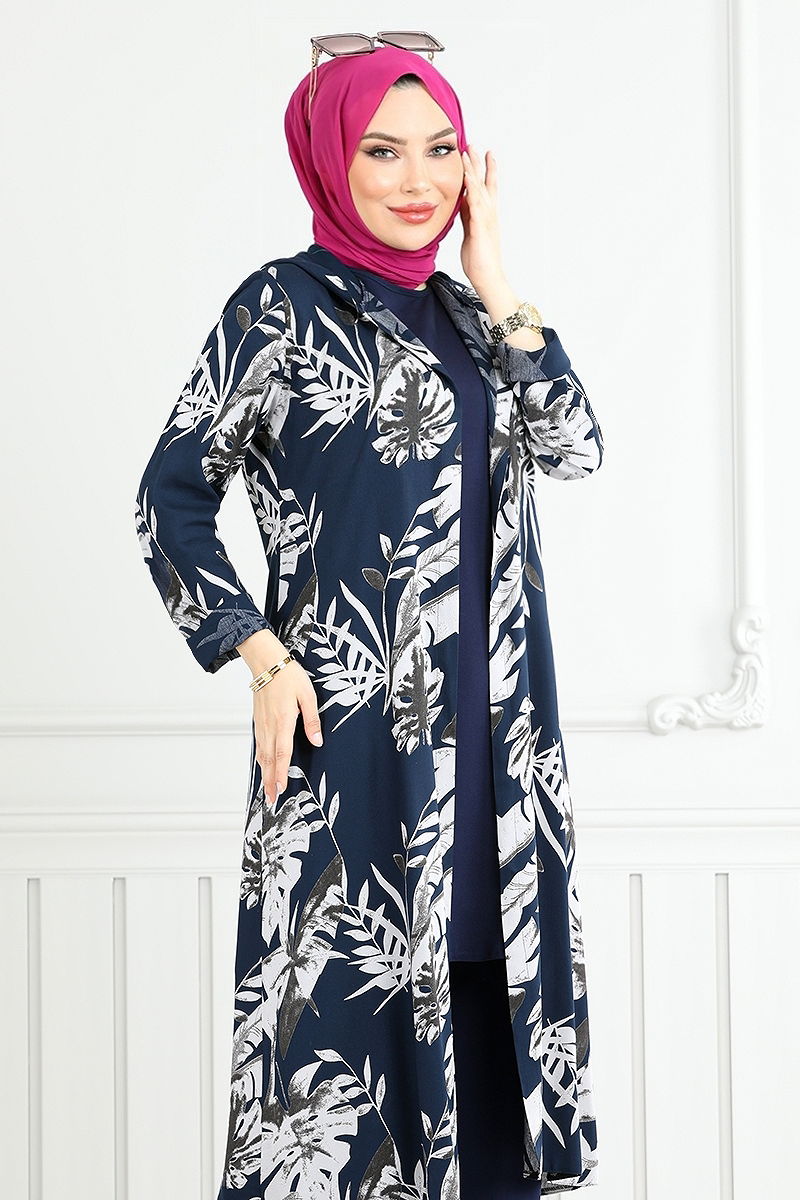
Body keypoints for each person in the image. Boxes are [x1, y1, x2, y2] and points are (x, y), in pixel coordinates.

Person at [133, 34, 603, 1200]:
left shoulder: (474, 318)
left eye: (440, 149)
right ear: (328, 159)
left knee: (494, 1037)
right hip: (355, 747)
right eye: (381, 151)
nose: (417, 180)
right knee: (342, 1083)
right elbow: (170, 496)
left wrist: (496, 279)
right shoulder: (278, 308)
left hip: (498, 753)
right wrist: (258, 655)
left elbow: (574, 447)